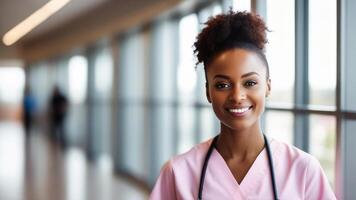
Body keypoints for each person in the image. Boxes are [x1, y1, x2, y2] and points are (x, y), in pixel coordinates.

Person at [150, 11, 336, 199]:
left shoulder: (302, 170)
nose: (237, 96)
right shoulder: (178, 173)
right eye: (223, 85)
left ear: (268, 87)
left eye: (250, 83)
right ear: (208, 92)